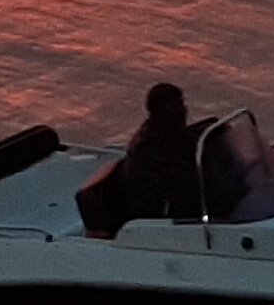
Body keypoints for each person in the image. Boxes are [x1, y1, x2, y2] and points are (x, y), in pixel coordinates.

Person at [77, 82, 200, 235]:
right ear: (160, 111)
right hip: (153, 209)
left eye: (182, 103)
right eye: (174, 106)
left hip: (166, 198)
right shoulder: (149, 145)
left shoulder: (173, 132)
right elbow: (176, 178)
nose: (183, 110)